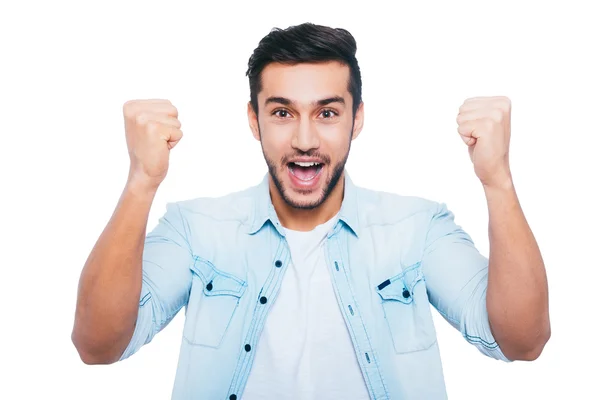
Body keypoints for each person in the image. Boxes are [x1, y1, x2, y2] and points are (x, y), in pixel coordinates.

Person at [71, 22, 550, 400]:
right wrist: (141, 182)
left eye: (327, 113)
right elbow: (97, 346)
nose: (304, 140)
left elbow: (522, 342)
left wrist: (498, 180)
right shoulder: (196, 230)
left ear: (356, 118)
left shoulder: (417, 230)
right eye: (282, 112)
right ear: (254, 121)